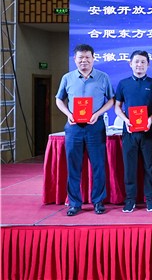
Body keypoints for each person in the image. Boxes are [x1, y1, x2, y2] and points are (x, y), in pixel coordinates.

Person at [55, 44, 114, 216]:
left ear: (93, 59)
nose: (84, 61)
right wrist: (68, 114)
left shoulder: (103, 77)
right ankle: (74, 203)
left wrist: (98, 114)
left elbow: (111, 100)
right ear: (75, 59)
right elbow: (59, 99)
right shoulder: (67, 78)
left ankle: (98, 201)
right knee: (73, 166)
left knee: (98, 165)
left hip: (95, 126)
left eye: (87, 57)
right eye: (80, 58)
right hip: (74, 127)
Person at [114, 50, 152, 213]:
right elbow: (117, 107)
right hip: (129, 131)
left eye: (143, 62)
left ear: (148, 64)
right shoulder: (123, 84)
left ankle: (151, 200)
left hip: (148, 131)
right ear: (130, 64)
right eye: (136, 62)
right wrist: (125, 119)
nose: (139, 65)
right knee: (130, 167)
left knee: (149, 167)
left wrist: (151, 118)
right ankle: (130, 200)